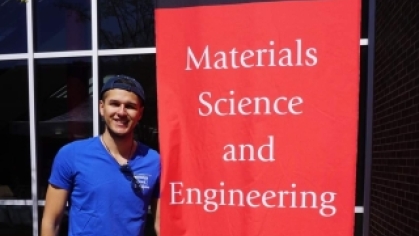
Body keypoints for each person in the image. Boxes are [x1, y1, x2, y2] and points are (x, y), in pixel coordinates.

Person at [41, 75, 160, 236]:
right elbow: (51, 221)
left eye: (130, 106)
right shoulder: (71, 155)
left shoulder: (154, 161)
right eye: (115, 104)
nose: (121, 112)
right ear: (102, 108)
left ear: (140, 113)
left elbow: (161, 225)